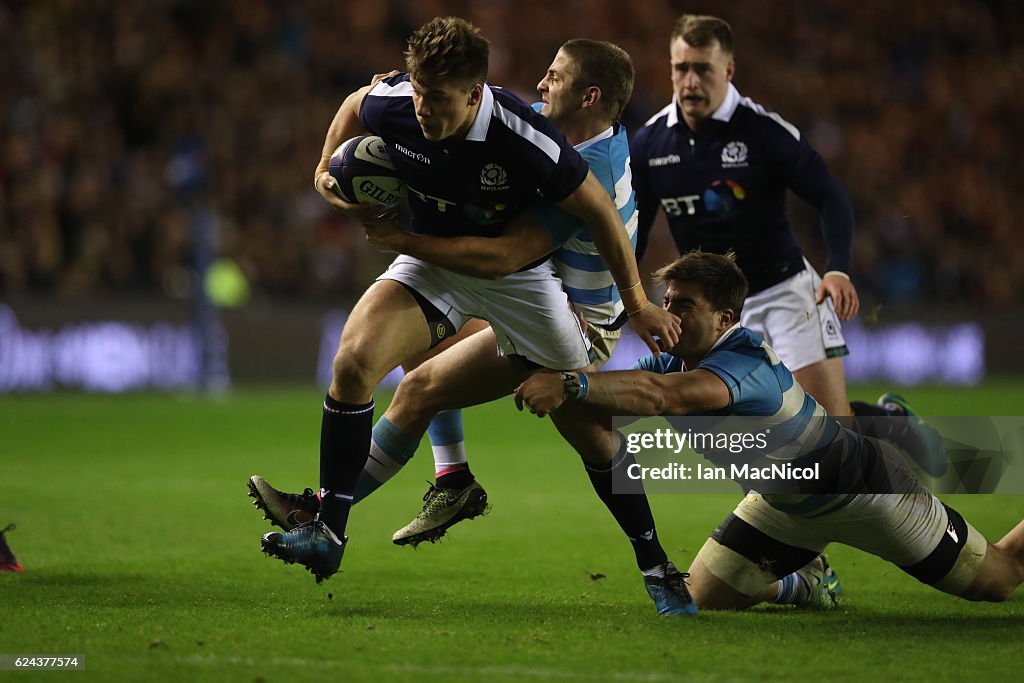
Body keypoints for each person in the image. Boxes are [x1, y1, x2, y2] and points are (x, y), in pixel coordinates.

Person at [253, 38, 698, 616]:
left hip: (577, 323)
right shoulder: (537, 124)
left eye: (555, 77)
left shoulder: (591, 163)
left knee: (583, 433)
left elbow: (506, 257)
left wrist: (403, 238)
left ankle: (657, 567)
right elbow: (373, 104)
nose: (541, 85)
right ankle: (351, 509)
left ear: (589, 97)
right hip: (515, 288)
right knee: (400, 375)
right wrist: (407, 101)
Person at [515, 250, 1024, 609]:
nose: (667, 314)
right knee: (697, 599)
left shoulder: (744, 361)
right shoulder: (672, 361)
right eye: (666, 302)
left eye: (684, 305)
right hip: (781, 508)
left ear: (724, 318)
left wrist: (570, 385)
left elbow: (662, 397)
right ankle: (804, 584)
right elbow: (627, 393)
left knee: (999, 581)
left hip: (868, 494)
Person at [628, 14, 942, 472]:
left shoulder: (763, 131)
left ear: (729, 70)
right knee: (739, 432)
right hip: (714, 312)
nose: (690, 81)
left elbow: (831, 197)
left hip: (785, 292)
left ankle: (890, 421)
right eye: (681, 68)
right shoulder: (651, 142)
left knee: (833, 433)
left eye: (703, 69)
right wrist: (627, 295)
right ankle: (784, 535)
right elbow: (637, 230)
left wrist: (837, 267)